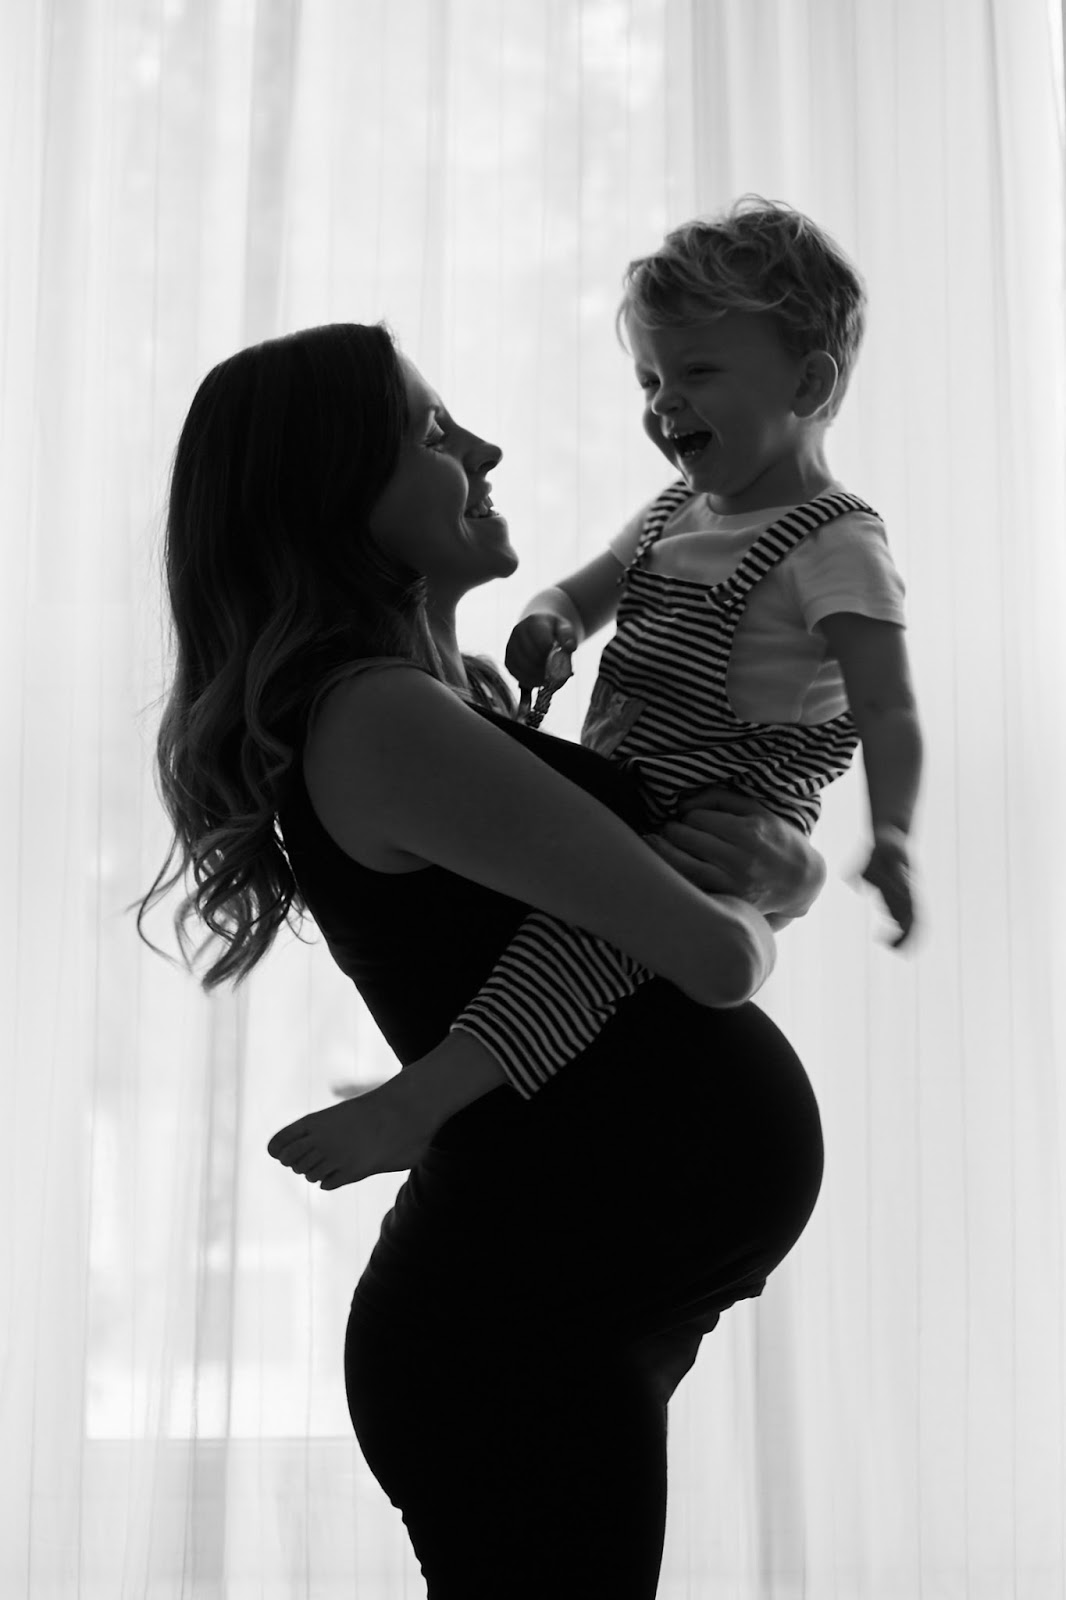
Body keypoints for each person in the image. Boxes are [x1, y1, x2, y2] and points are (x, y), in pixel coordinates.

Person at [135, 320, 829, 1599]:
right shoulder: (381, 716)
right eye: (433, 432)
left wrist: (777, 877)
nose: (486, 448)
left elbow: (628, 930)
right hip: (517, 1333)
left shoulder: (439, 699)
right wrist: (765, 905)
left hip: (556, 1315)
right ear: (334, 491)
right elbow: (705, 954)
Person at [493, 197, 924, 1101]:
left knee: (572, 959)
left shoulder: (834, 542)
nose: (664, 402)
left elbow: (887, 706)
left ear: (807, 385)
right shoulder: (669, 515)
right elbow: (574, 598)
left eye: (696, 371)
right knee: (538, 928)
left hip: (722, 832)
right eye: (649, 380)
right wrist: (546, 625)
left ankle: (437, 1093)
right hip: (629, 800)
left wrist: (891, 835)